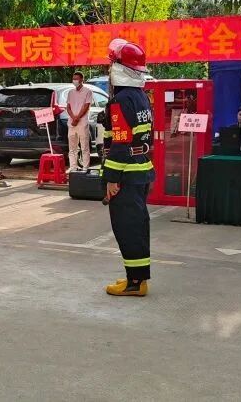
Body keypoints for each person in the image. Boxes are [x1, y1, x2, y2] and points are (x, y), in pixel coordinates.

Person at [102, 39, 154, 297]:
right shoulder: (141, 97)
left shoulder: (121, 100)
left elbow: (120, 143)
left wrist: (111, 179)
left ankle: (135, 283)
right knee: (138, 225)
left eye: (111, 64)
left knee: (127, 228)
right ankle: (137, 278)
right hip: (141, 170)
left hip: (126, 175)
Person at [66, 71, 93, 171]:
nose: (75, 81)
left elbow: (86, 106)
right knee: (72, 148)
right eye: (73, 79)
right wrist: (73, 118)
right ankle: (73, 167)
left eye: (76, 79)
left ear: (82, 80)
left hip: (82, 123)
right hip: (72, 123)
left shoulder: (88, 91)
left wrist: (77, 118)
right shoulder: (70, 92)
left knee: (84, 147)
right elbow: (68, 107)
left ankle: (85, 167)